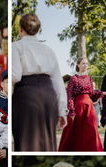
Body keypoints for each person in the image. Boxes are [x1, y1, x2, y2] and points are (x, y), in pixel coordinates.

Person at [12, 13, 67, 151]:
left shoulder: (16, 47)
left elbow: (15, 76)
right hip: (49, 93)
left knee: (25, 139)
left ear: (20, 29)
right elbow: (58, 82)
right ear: (38, 30)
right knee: (48, 138)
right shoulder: (49, 50)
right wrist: (62, 110)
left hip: (25, 94)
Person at [58, 57, 105, 151]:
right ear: (78, 64)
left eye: (87, 64)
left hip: (89, 107)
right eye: (83, 63)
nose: (85, 65)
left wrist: (103, 93)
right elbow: (69, 96)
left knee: (92, 130)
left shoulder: (89, 78)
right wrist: (71, 111)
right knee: (77, 132)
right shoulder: (73, 78)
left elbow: (92, 93)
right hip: (78, 107)